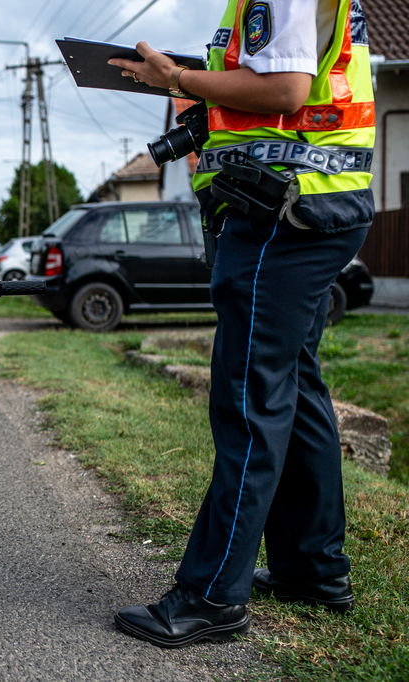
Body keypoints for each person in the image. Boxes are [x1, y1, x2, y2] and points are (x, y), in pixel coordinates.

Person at [108, 0, 375, 648]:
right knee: (297, 389)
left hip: (282, 214)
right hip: (309, 207)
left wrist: (178, 79)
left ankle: (210, 596)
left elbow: (285, 90)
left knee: (250, 402)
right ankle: (312, 571)